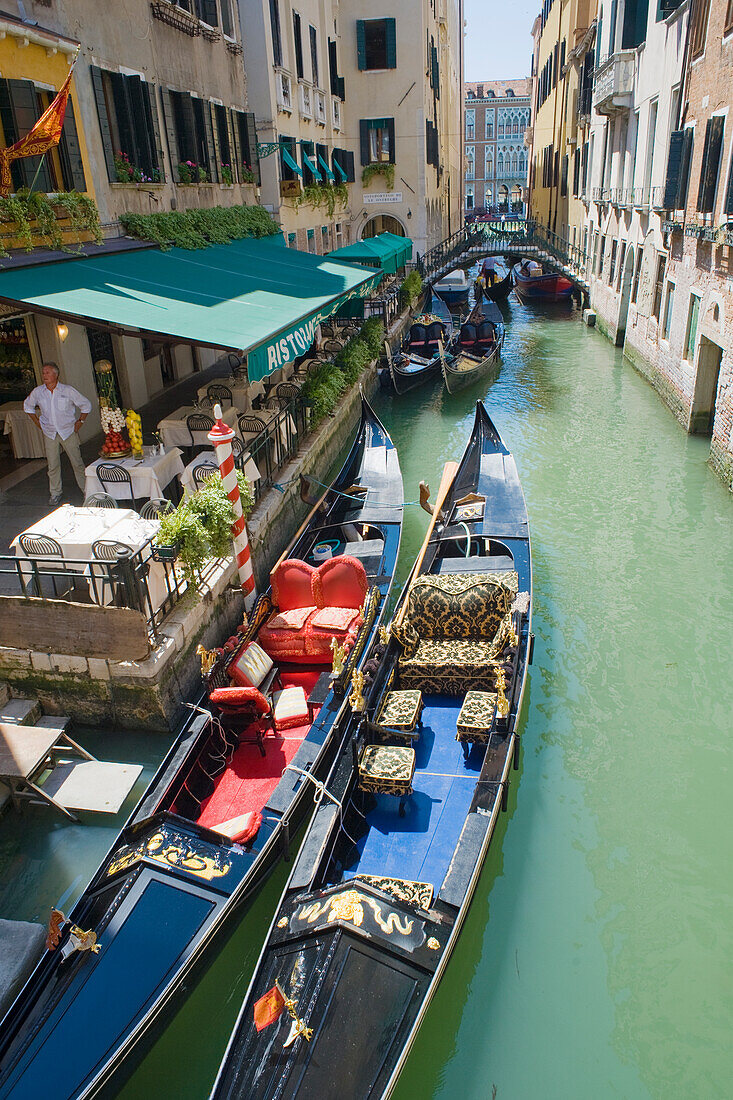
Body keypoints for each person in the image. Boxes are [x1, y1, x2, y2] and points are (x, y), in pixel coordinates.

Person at [24, 362, 92, 504]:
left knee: (77, 462)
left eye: (47, 372)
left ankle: (87, 491)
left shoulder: (67, 390)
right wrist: (38, 423)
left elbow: (86, 405)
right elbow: (28, 406)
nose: (44, 376)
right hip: (50, 433)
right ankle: (55, 492)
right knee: (53, 465)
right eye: (43, 373)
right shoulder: (38, 392)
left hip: (67, 431)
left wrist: (80, 421)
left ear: (56, 374)